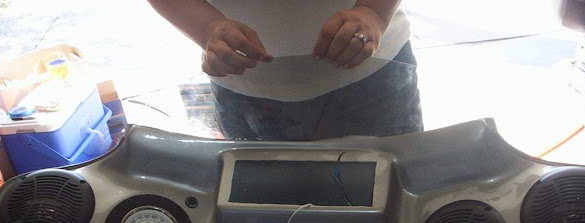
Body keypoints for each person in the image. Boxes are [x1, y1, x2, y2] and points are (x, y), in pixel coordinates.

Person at [147, 0, 423, 140]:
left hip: (374, 79)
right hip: (246, 94)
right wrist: (205, 27)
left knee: (396, 215)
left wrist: (375, 12)